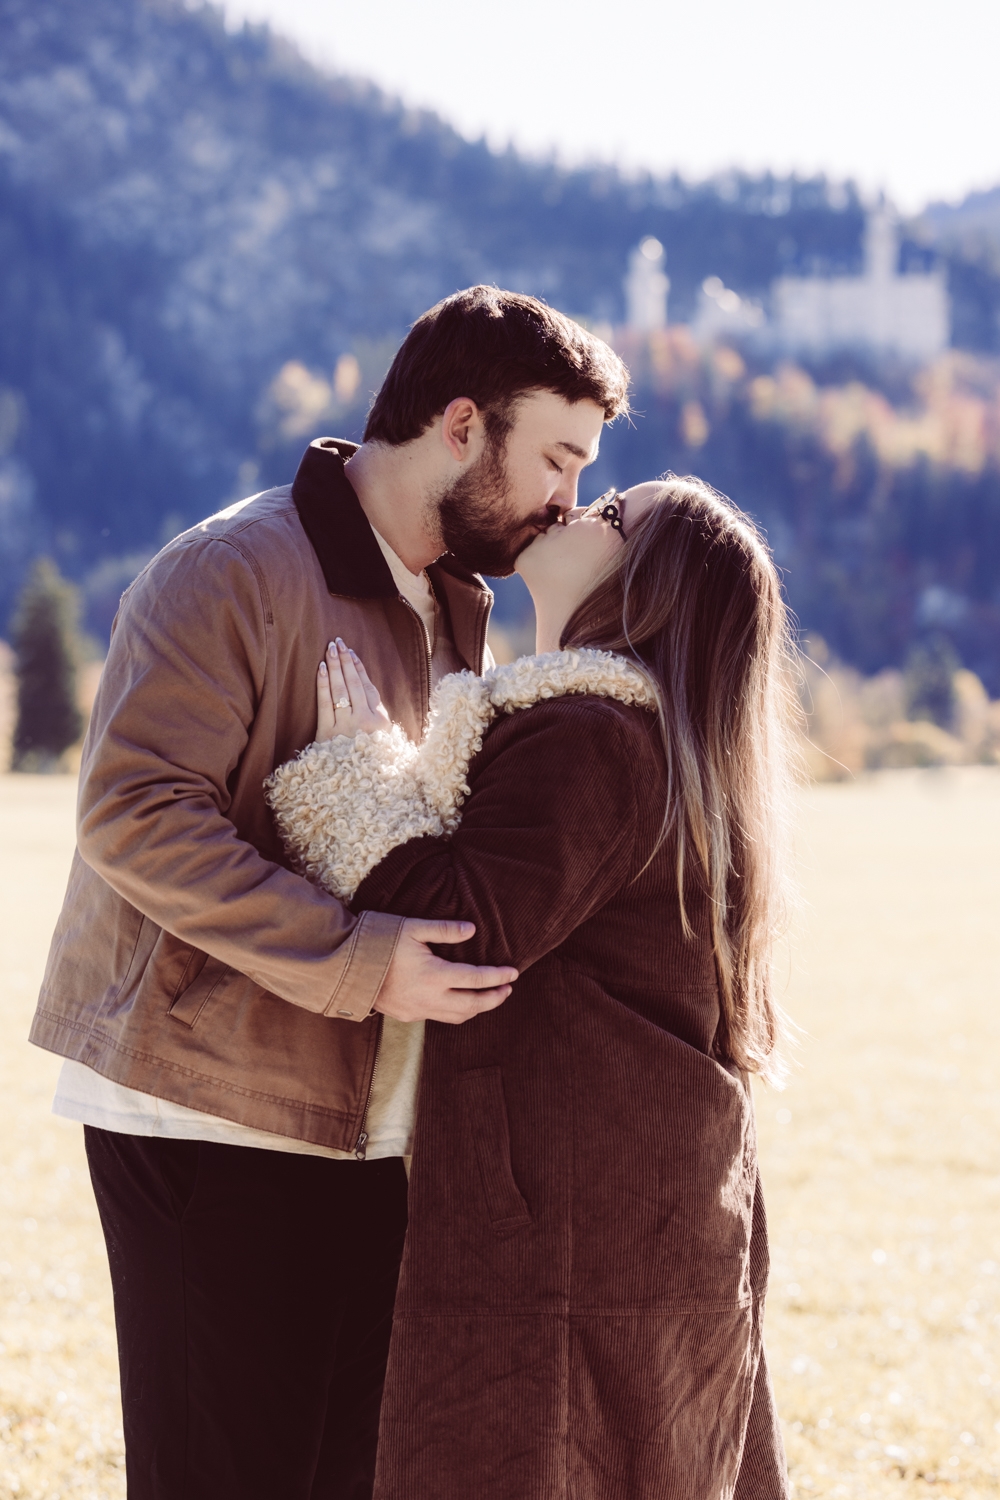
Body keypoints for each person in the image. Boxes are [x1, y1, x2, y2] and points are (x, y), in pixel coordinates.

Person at [28, 286, 630, 1499]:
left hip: (371, 1128)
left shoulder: (459, 608)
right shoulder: (230, 571)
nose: (569, 499)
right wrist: (363, 959)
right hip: (212, 1116)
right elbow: (133, 814)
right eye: (557, 459)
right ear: (463, 425)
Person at [265, 476, 795, 1499]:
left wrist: (350, 776)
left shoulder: (593, 731)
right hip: (647, 1198)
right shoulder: (646, 739)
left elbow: (464, 926)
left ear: (647, 582)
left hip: (575, 1218)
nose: (573, 508)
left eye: (610, 516)